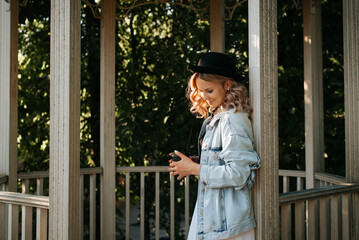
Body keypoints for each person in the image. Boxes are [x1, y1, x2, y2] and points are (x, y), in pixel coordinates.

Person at [168, 52, 260, 240]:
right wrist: (195, 164)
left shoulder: (231, 120)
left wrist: (196, 168)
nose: (204, 97)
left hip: (228, 227)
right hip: (214, 219)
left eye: (209, 91)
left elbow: (239, 174)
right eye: (202, 91)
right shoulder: (219, 118)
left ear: (227, 85)